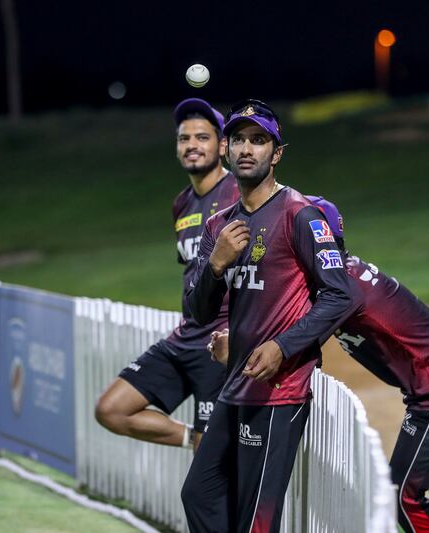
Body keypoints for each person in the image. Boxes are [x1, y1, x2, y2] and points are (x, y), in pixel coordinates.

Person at [210, 196, 429, 533]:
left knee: (402, 496)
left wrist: (234, 356)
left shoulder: (337, 293)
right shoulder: (340, 278)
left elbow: (288, 353)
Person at [180, 99, 362, 533]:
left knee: (256, 519)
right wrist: (216, 265)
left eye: (258, 141)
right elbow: (197, 311)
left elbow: (340, 297)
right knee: (199, 493)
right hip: (237, 382)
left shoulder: (300, 214)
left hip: (279, 390)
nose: (247, 149)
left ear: (276, 153)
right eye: (239, 140)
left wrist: (284, 346)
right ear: (226, 149)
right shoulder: (219, 225)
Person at [94, 98, 240, 451]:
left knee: (212, 476)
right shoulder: (182, 203)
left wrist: (241, 333)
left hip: (219, 343)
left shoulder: (239, 192)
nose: (192, 145)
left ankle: (207, 447)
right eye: (184, 138)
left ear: (221, 146)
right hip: (185, 337)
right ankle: (195, 439)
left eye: (202, 137)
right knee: (111, 410)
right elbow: (193, 270)